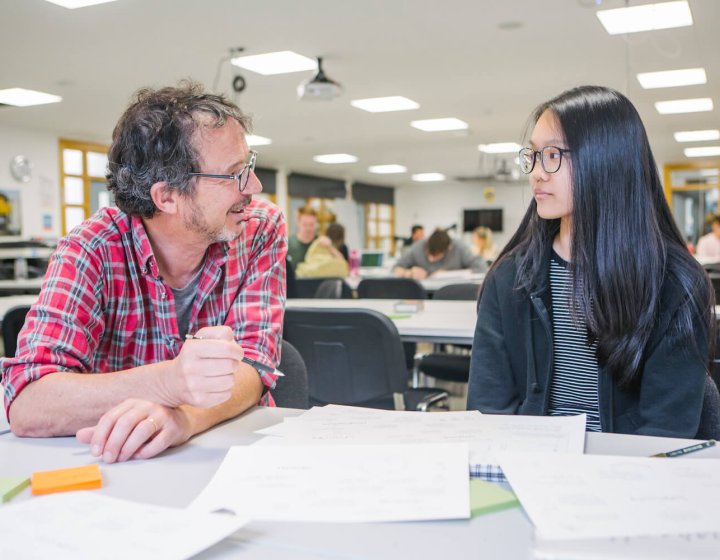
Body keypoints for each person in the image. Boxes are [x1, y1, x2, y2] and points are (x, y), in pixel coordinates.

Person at [1, 81, 287, 462]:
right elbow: (29, 405)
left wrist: (183, 418)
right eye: (234, 174)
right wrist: (169, 383)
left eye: (248, 165)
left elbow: (255, 365)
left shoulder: (259, 228)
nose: (254, 186)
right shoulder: (92, 249)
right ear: (166, 196)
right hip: (116, 463)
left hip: (228, 453)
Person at [467, 85, 714, 438]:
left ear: (606, 161)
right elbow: (487, 410)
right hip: (529, 465)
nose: (536, 172)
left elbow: (665, 431)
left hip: (629, 476)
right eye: (533, 156)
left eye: (552, 155)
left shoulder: (674, 285)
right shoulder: (510, 278)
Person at [393, 228, 487, 279]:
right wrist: (408, 273)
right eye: (429, 253)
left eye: (436, 255)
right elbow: (396, 268)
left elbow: (482, 267)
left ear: (449, 248)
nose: (431, 259)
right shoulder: (418, 246)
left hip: (451, 293)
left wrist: (450, 274)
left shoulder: (459, 247)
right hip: (422, 294)